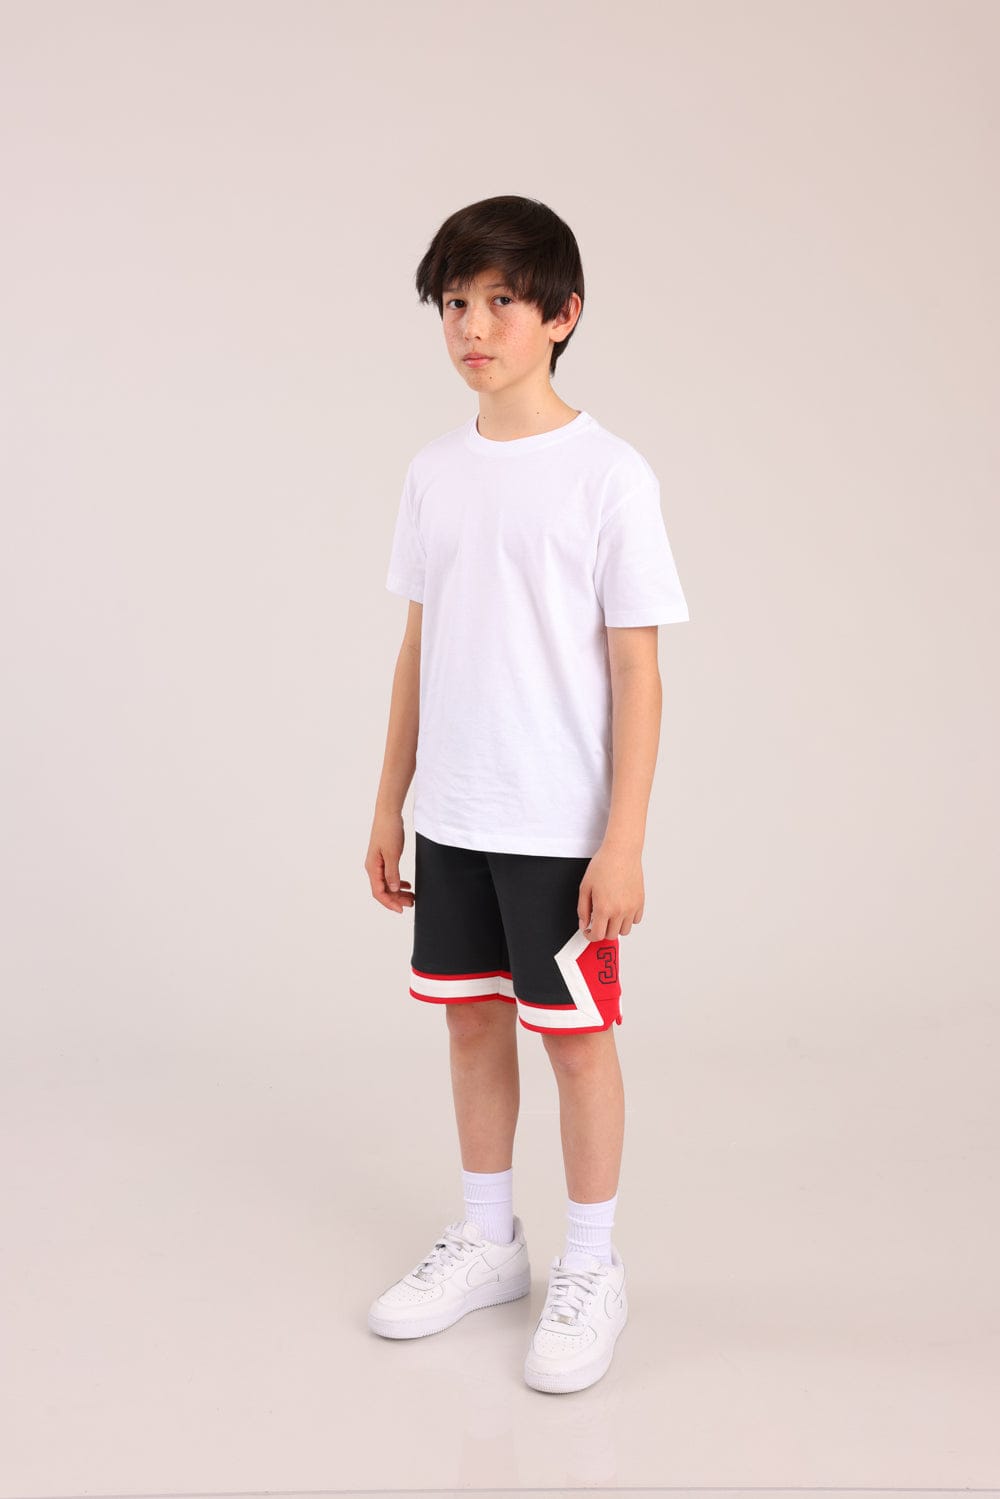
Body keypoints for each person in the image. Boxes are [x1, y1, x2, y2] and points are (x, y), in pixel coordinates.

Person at [364, 195, 690, 1393]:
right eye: (455, 301)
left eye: (501, 300)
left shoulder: (609, 475)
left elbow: (637, 669)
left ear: (561, 314)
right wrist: (389, 801)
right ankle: (489, 1237)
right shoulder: (433, 472)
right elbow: (417, 646)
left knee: (576, 1040)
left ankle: (591, 1261)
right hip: (454, 810)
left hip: (560, 825)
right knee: (468, 1020)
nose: (472, 325)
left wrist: (624, 840)